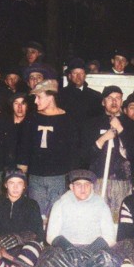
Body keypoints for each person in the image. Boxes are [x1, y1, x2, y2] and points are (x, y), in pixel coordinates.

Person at [43, 170, 119, 267]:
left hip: (94, 251)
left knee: (110, 263)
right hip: (67, 250)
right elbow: (51, 236)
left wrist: (90, 250)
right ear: (71, 187)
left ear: (92, 187)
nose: (83, 189)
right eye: (78, 185)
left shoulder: (101, 205)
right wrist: (69, 248)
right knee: (48, 261)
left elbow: (110, 237)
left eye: (86, 185)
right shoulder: (60, 204)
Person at [17, 80, 79, 218]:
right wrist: (22, 172)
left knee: (56, 214)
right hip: (36, 176)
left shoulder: (67, 119)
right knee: (36, 214)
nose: (35, 102)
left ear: (51, 97)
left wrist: (71, 176)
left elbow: (73, 150)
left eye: (39, 97)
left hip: (58, 176)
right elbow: (24, 146)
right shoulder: (32, 118)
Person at [80, 86, 134, 220]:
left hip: (122, 180)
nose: (114, 101)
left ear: (122, 101)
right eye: (110, 98)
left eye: (117, 98)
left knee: (119, 219)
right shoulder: (91, 124)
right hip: (98, 179)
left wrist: (120, 129)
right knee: (96, 218)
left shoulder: (131, 124)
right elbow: (85, 156)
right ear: (103, 102)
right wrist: (103, 139)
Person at [58, 58, 103, 123]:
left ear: (85, 76)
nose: (78, 76)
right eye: (75, 73)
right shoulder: (61, 95)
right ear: (69, 76)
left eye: (81, 73)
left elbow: (98, 118)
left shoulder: (96, 96)